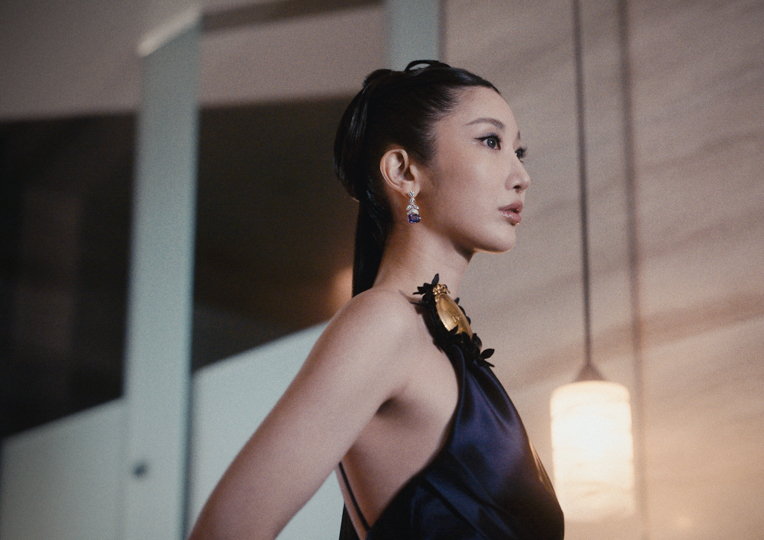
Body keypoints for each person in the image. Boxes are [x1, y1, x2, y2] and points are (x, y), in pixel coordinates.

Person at [188, 60, 564, 540]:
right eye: (490, 141)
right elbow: (224, 529)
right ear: (403, 172)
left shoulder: (436, 338)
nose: (521, 175)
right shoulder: (384, 323)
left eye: (518, 150)